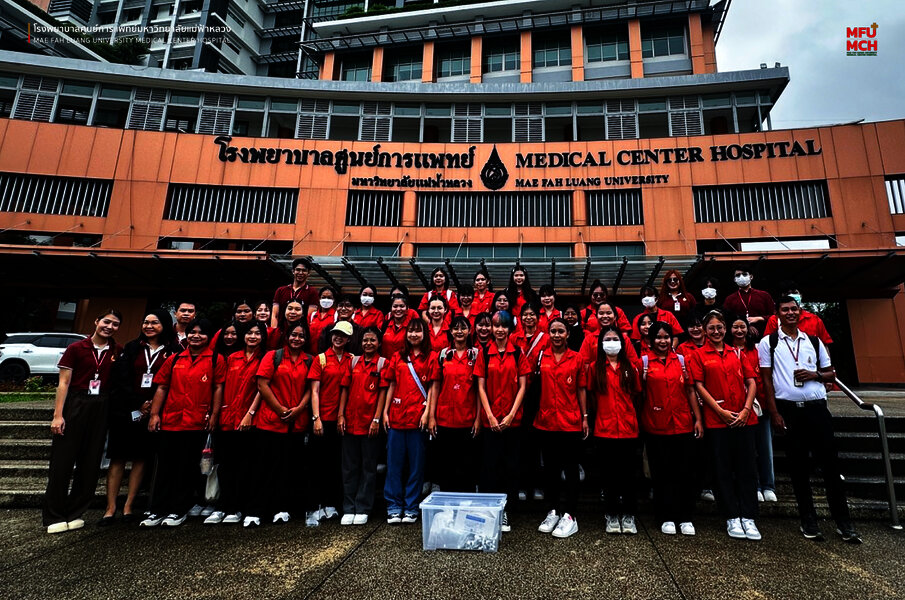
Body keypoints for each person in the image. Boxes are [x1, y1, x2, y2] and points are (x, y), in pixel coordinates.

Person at [758, 296, 861, 543]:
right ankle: (808, 519)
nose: (790, 313)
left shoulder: (813, 341)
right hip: (789, 409)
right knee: (799, 468)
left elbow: (831, 373)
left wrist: (815, 375)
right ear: (777, 314)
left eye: (794, 309)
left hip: (817, 409)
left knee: (831, 466)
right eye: (785, 310)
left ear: (800, 312)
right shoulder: (768, 342)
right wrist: (774, 413)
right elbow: (766, 380)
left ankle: (843, 522)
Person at [44, 309, 123, 534]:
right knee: (62, 462)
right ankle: (54, 515)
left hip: (102, 404)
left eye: (115, 324)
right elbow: (63, 383)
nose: (109, 327)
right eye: (106, 321)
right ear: (97, 321)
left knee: (90, 462)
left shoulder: (117, 350)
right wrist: (58, 415)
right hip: (76, 402)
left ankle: (75, 512)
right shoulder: (76, 348)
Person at [142, 318, 225, 528]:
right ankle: (157, 509)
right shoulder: (175, 358)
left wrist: (214, 415)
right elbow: (162, 387)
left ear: (209, 336)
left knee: (186, 468)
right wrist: (154, 414)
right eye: (192, 332)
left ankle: (178, 509)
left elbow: (218, 388)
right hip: (171, 420)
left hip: (196, 422)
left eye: (201, 332)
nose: (196, 336)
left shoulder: (215, 359)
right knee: (165, 467)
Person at [688, 311, 760, 541]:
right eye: (711, 328)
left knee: (747, 468)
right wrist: (719, 411)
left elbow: (751, 381)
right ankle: (731, 516)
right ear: (705, 331)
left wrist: (746, 409)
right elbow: (698, 386)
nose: (716, 331)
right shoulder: (698, 355)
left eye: (719, 327)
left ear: (725, 329)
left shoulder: (737, 353)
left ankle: (748, 516)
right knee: (722, 469)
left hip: (743, 418)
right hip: (717, 420)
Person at [101, 309, 178, 526]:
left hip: (154, 413)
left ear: (164, 325)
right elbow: (121, 378)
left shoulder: (172, 350)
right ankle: (110, 508)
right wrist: (138, 403)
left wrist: (153, 405)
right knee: (118, 458)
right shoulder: (132, 347)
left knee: (141, 458)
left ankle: (128, 506)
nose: (149, 326)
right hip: (127, 411)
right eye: (146, 322)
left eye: (154, 323)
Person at [642, 322, 703, 536]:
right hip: (656, 425)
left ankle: (685, 516)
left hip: (683, 423)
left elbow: (690, 391)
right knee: (661, 473)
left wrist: (698, 419)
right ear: (651, 340)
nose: (662, 341)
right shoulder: (645, 363)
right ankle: (665, 516)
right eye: (658, 337)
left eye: (666, 337)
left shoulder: (682, 361)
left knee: (685, 472)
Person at [250, 322, 313, 528]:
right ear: (287, 336)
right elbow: (262, 384)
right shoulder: (273, 356)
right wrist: (280, 409)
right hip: (270, 421)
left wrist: (299, 409)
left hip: (296, 423)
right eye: (294, 335)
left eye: (301, 336)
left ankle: (281, 508)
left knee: (288, 468)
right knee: (263, 467)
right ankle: (257, 510)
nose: (297, 339)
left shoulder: (309, 360)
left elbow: (311, 388)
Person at [475, 310, 532, 533]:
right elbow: (480, 386)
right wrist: (489, 415)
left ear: (510, 329)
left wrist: (510, 415)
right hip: (490, 421)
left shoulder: (517, 353)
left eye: (504, 326)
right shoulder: (484, 353)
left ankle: (506, 511)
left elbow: (523, 387)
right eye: (496, 325)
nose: (499, 330)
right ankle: (490, 511)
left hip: (512, 422)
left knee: (511, 467)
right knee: (489, 467)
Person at [205, 322, 267, 525]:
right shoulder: (231, 358)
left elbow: (262, 388)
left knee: (245, 465)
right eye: (249, 332)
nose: (253, 336)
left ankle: (238, 507)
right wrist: (215, 413)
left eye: (257, 333)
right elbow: (220, 387)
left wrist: (250, 414)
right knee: (225, 464)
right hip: (227, 417)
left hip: (250, 419)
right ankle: (223, 506)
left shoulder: (265, 358)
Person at [535, 318, 588, 539]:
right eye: (553, 331)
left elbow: (581, 389)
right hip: (546, 421)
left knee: (571, 470)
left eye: (561, 331)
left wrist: (584, 417)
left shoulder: (577, 358)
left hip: (570, 421)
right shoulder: (542, 357)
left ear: (568, 334)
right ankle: (553, 511)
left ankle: (570, 515)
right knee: (551, 470)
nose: (556, 335)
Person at [382, 319, 439, 524]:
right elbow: (391, 384)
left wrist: (428, 413)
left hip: (418, 418)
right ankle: (394, 506)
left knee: (416, 466)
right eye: (411, 331)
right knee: (394, 465)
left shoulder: (431, 357)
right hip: (397, 417)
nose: (414, 335)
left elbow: (433, 387)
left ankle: (411, 507)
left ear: (425, 333)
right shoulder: (397, 356)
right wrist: (385, 412)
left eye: (418, 331)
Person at [588, 326, 641, 536]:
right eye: (607, 339)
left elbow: (636, 394)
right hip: (604, 428)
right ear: (601, 343)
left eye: (615, 338)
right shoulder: (595, 368)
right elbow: (592, 396)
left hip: (628, 429)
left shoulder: (630, 367)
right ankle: (610, 514)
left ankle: (629, 514)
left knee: (629, 474)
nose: (612, 342)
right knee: (608, 474)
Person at [338, 327, 388, 525]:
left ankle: (363, 507)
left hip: (369, 424)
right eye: (365, 340)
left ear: (379, 343)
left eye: (372, 340)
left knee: (368, 467)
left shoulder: (382, 364)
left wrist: (376, 419)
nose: (368, 343)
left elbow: (382, 393)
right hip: (350, 422)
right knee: (349, 467)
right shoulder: (353, 362)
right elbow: (344, 390)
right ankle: (348, 507)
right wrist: (341, 415)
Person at [427, 316, 480, 493]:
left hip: (467, 419)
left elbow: (479, 390)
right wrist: (432, 417)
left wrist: (478, 419)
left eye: (463, 328)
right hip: (444, 419)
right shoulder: (443, 355)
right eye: (455, 328)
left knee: (467, 466)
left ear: (469, 331)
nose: (459, 331)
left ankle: (466, 503)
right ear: (450, 331)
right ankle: (447, 505)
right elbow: (435, 386)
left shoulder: (476, 355)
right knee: (446, 466)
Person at [309, 320, 354, 523]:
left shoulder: (351, 360)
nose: (338, 338)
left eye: (343, 335)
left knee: (337, 464)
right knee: (319, 463)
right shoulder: (321, 359)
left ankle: (332, 504)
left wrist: (341, 415)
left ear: (349, 339)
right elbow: (315, 391)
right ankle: (317, 505)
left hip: (342, 420)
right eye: (336, 334)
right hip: (323, 419)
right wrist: (316, 418)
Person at [728, 315, 776, 503]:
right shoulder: (726, 350)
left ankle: (768, 485)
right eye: (735, 327)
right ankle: (753, 486)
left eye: (743, 327)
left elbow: (767, 377)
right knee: (745, 451)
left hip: (760, 405)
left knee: (765, 447)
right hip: (737, 408)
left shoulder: (757, 350)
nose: (739, 331)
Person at [762, 281, 832, 346]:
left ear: (800, 295)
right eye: (788, 293)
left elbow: (824, 345)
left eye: (794, 292)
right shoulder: (774, 320)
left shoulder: (814, 319)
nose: (791, 295)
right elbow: (767, 345)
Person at [271, 257, 319, 329]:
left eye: (304, 270)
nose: (300, 273)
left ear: (308, 273)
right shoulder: (281, 290)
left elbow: (310, 317)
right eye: (298, 270)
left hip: (300, 332)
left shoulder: (312, 292)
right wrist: (274, 332)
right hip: (281, 331)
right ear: (293, 271)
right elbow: (275, 315)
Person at [382, 294, 413, 359]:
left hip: (405, 363)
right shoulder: (384, 325)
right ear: (391, 308)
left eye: (402, 306)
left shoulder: (412, 326)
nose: (398, 309)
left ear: (407, 308)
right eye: (395, 306)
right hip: (387, 363)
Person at [308, 286, 337, 353]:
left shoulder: (336, 316)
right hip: (310, 353)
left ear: (334, 300)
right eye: (323, 297)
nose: (326, 300)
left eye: (329, 298)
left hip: (327, 354)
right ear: (319, 299)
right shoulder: (312, 315)